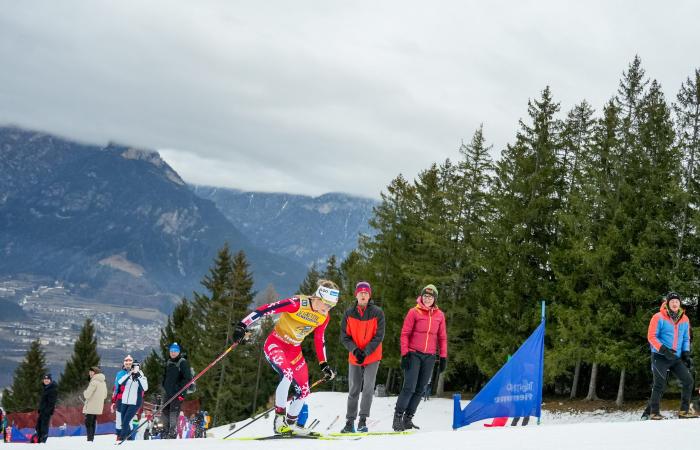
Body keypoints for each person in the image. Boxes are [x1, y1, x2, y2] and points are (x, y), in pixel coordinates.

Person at [233, 279, 340, 435]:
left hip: (294, 351)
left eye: (332, 306)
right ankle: (279, 420)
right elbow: (266, 309)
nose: (328, 309)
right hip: (276, 344)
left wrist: (324, 364)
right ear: (318, 298)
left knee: (304, 390)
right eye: (327, 304)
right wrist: (242, 325)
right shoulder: (297, 304)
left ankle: (290, 424)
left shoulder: (324, 317)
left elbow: (319, 339)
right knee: (287, 375)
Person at [393, 284, 447, 432]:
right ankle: (397, 417)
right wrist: (405, 354)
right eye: (425, 296)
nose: (427, 298)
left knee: (420, 388)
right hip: (413, 354)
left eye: (430, 296)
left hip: (429, 356)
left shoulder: (440, 315)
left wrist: (443, 357)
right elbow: (405, 334)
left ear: (435, 298)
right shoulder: (414, 312)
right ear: (421, 297)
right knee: (409, 387)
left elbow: (442, 337)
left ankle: (408, 419)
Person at [340, 281, 385, 433]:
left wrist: (365, 352)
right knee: (353, 389)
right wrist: (355, 350)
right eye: (361, 292)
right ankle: (349, 422)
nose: (363, 295)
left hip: (372, 355)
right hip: (355, 356)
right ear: (356, 295)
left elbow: (379, 337)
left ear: (369, 295)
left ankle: (363, 420)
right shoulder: (348, 313)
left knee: (367, 389)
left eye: (366, 292)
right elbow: (344, 337)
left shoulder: (378, 312)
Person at [646, 291, 697, 419]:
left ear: (680, 303)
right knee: (659, 384)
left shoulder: (684, 319)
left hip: (675, 357)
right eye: (672, 301)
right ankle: (654, 412)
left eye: (677, 301)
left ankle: (684, 411)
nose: (675, 303)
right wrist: (664, 350)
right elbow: (651, 337)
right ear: (668, 303)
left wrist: (685, 353)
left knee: (688, 381)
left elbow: (686, 338)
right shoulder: (658, 317)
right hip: (660, 356)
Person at [161, 342, 193, 439]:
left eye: (175, 351)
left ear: (179, 352)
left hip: (178, 392)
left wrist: (180, 390)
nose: (173, 353)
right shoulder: (169, 362)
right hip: (168, 392)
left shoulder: (182, 362)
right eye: (172, 351)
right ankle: (166, 430)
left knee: (173, 411)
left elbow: (187, 378)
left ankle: (172, 431)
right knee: (165, 410)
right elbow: (166, 376)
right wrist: (164, 384)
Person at [117, 359, 149, 441]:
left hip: (134, 403)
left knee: (126, 421)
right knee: (123, 421)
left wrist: (138, 377)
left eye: (136, 367)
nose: (134, 368)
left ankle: (122, 438)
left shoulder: (142, 377)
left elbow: (145, 388)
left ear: (139, 368)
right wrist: (129, 375)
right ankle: (130, 438)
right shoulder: (128, 376)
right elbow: (120, 382)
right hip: (124, 401)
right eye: (133, 367)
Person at [111, 354, 134, 440]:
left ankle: (129, 434)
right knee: (119, 417)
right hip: (120, 398)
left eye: (130, 363)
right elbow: (116, 387)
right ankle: (119, 434)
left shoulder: (135, 373)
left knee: (129, 417)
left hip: (131, 399)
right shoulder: (120, 373)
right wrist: (113, 400)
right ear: (124, 364)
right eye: (126, 363)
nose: (128, 365)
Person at [83, 366, 108, 441]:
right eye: (89, 371)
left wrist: (84, 392)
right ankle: (91, 439)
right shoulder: (103, 382)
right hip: (98, 406)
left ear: (95, 373)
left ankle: (89, 439)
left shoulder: (93, 382)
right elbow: (105, 395)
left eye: (92, 372)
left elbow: (87, 395)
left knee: (88, 423)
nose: (90, 373)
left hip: (91, 405)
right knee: (92, 422)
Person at [35, 373, 58, 443]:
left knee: (44, 426)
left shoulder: (52, 389)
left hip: (46, 411)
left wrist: (48, 411)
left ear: (50, 380)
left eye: (47, 379)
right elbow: (43, 401)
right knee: (38, 426)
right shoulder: (46, 388)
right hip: (42, 410)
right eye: (45, 379)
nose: (46, 380)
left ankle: (43, 440)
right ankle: (39, 439)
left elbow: (52, 402)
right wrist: (40, 409)